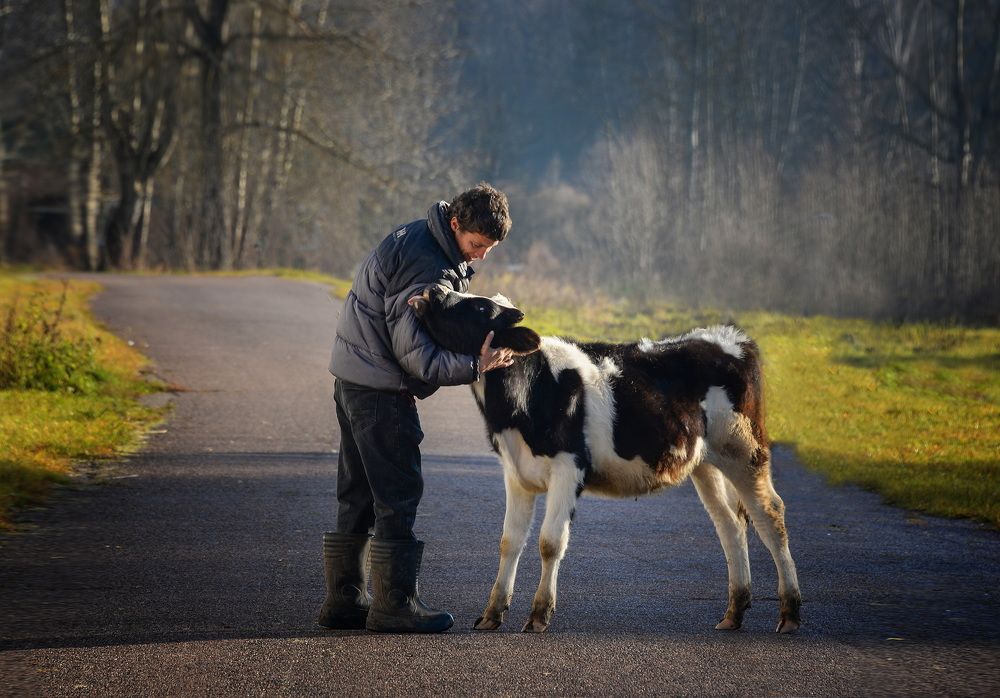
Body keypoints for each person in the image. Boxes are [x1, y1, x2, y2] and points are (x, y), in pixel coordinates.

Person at [319, 183, 514, 633]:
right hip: (379, 390)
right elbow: (414, 355)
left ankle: (344, 600)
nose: (481, 256)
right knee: (398, 491)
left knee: (360, 492)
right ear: (455, 225)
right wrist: (475, 365)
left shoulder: (420, 238)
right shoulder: (428, 264)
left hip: (352, 377)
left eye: (489, 248)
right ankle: (394, 604)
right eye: (476, 245)